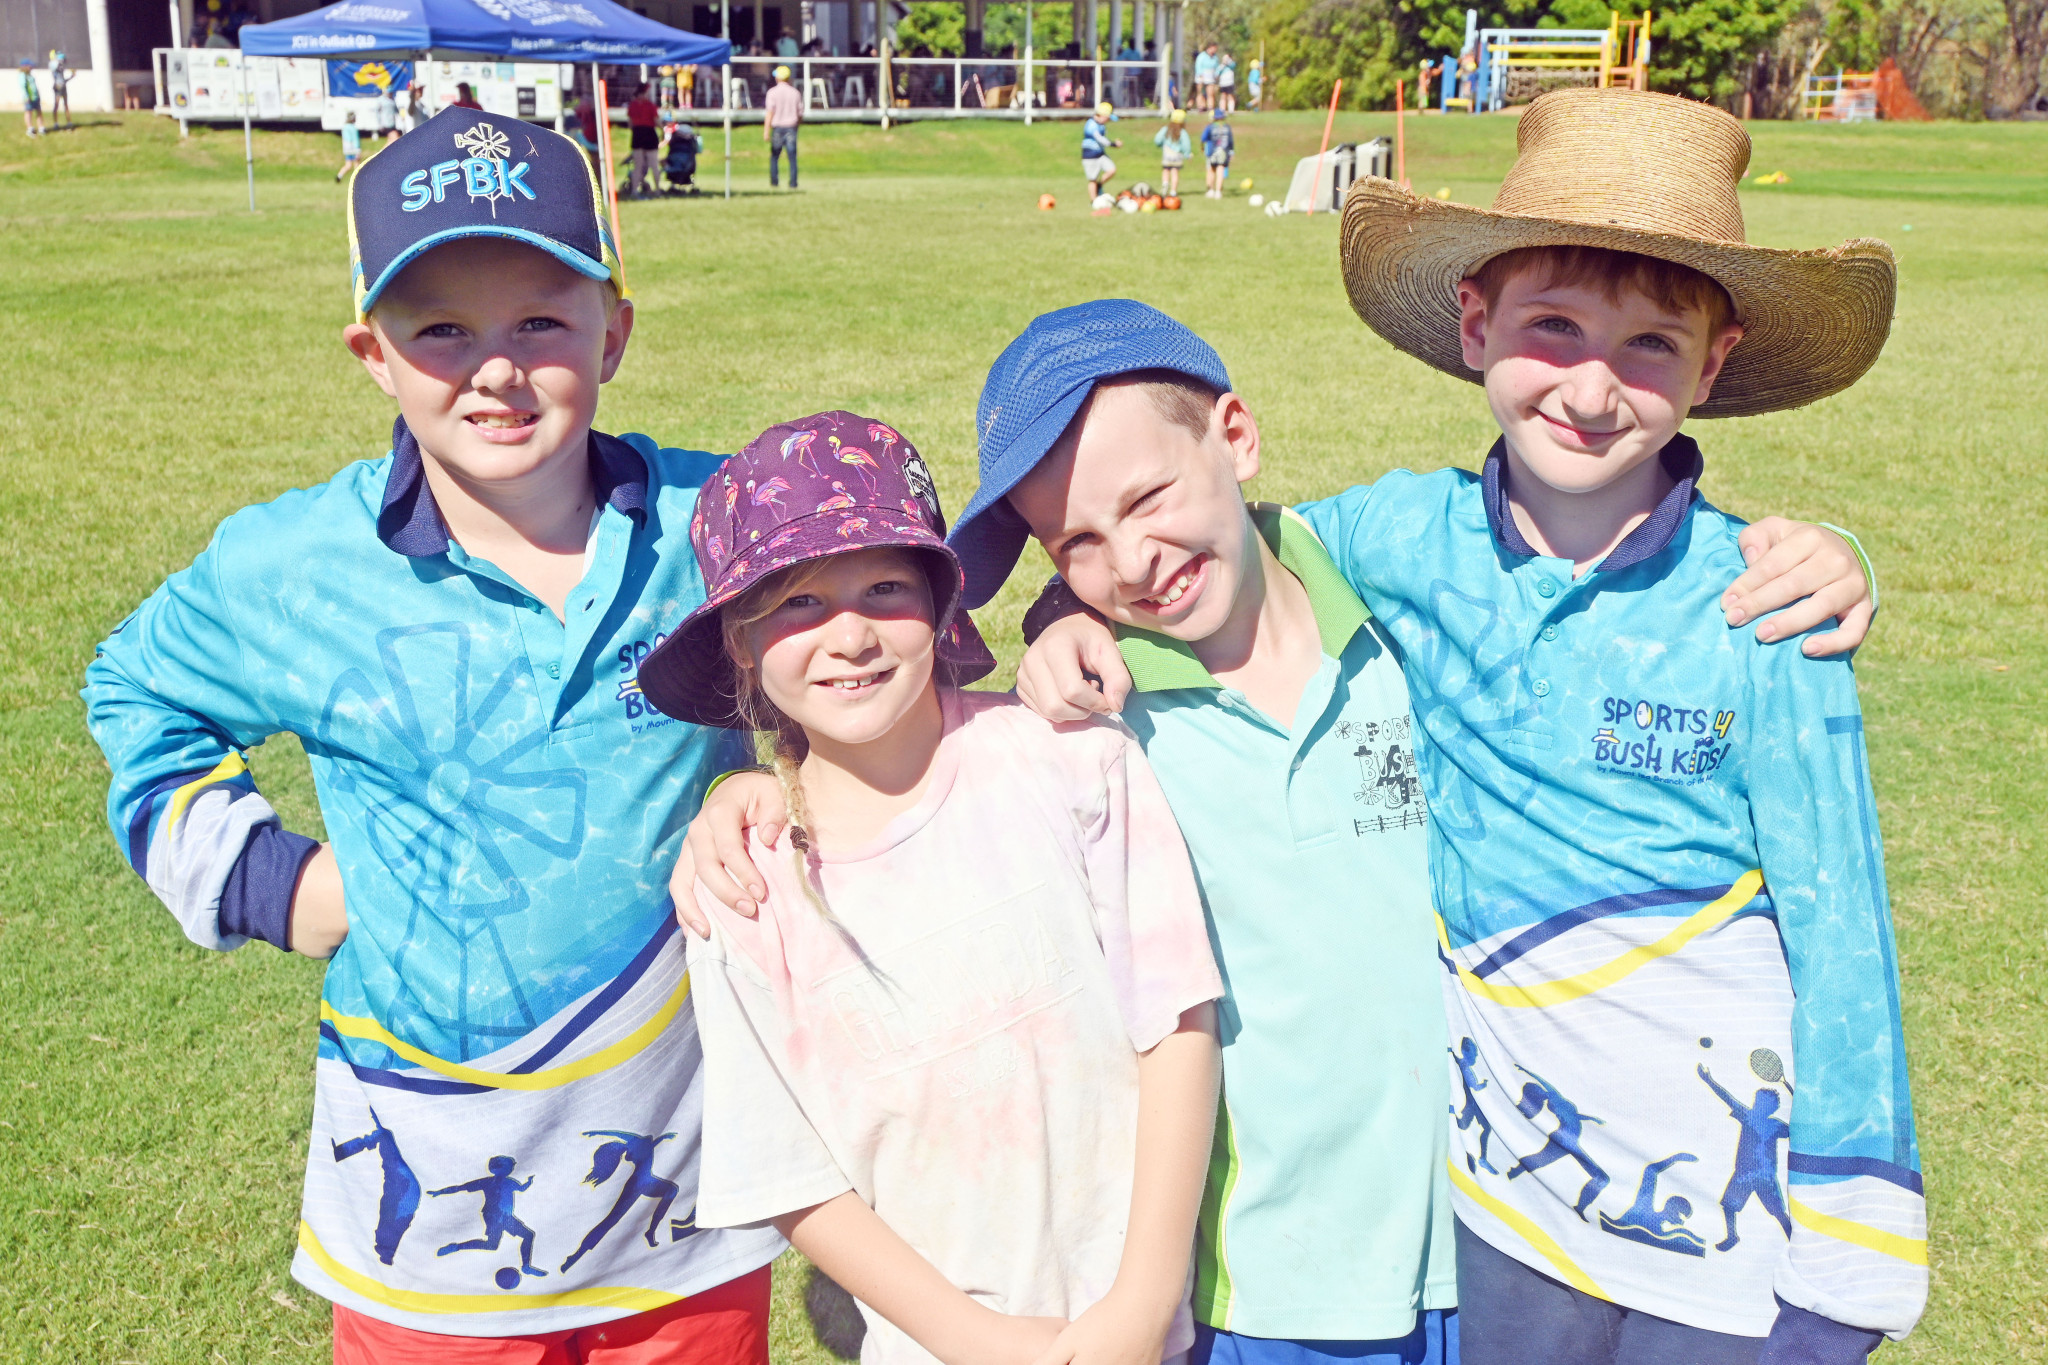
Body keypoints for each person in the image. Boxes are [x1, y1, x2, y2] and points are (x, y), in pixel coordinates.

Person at [680, 296, 1879, 1365]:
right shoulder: (1094, 720)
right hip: (1269, 1283)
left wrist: (1822, 553)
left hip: (1506, 1239)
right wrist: (755, 785)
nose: (1131, 562)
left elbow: (1579, 586)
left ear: (1236, 436)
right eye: (1074, 546)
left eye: (1148, 500)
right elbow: (909, 766)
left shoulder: (1414, 605)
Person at [1013, 89, 1923, 1364]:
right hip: (1504, 1209)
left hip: (1726, 1235)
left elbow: (1844, 925)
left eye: (1650, 347)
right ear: (1474, 321)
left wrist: (1855, 1247)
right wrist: (1059, 608)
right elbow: (1202, 548)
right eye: (1551, 329)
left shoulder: (1761, 607)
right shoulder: (1396, 536)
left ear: (1710, 366)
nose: (1592, 389)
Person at [81, 104, 784, 1362]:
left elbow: (886, 632)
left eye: (539, 321)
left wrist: (781, 776)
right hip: (429, 1215)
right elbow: (136, 687)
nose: (495, 369)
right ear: (373, 353)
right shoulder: (294, 566)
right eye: (442, 329)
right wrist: (258, 876)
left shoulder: (717, 520)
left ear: (612, 331)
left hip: (686, 1200)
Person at [635, 411, 1226, 1365]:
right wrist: (981, 1341)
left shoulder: (1067, 759)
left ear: (942, 604)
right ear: (740, 645)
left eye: (885, 588)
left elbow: (1177, 1018)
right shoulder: (745, 888)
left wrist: (1141, 1303)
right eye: (796, 604)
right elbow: (790, 1174)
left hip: (1154, 1333)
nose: (851, 634)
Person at [764, 65, 801, 188]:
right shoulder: (795, 93)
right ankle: (793, 182)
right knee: (792, 156)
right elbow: (800, 112)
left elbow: (770, 113)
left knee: (775, 156)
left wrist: (766, 131)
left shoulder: (772, 93)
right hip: (791, 126)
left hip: (778, 127)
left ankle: (774, 181)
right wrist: (797, 125)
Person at [626, 81, 661, 197]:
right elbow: (656, 121)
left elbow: (630, 124)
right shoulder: (650, 106)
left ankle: (634, 190)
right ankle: (657, 189)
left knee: (638, 165)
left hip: (637, 134)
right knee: (654, 164)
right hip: (649, 133)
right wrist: (663, 128)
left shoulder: (632, 105)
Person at [1083, 100, 1122, 200]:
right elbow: (1099, 139)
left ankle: (1099, 185)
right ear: (1102, 115)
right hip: (1089, 155)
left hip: (1100, 153)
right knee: (1092, 179)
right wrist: (1113, 144)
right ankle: (1094, 201)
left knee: (1112, 170)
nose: (1108, 120)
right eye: (1108, 118)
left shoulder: (1101, 125)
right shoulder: (1091, 124)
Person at [1153, 108, 1189, 198]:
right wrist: (1187, 154)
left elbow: (1158, 139)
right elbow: (1186, 144)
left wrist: (1159, 145)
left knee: (1165, 170)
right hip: (1177, 155)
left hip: (1167, 154)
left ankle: (1165, 185)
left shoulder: (1166, 129)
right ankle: (1173, 191)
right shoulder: (1182, 132)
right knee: (1175, 172)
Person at [662, 116, 702, 193]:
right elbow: (698, 150)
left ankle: (673, 185)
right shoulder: (691, 141)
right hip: (687, 167)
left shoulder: (675, 139)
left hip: (673, 166)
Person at [1200, 108, 1232, 198]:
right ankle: (1218, 191)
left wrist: (1202, 147)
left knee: (1211, 170)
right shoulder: (1227, 127)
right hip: (1224, 152)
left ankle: (1210, 190)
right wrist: (1231, 151)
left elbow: (1203, 138)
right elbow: (1230, 141)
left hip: (1212, 152)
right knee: (1220, 170)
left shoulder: (1210, 127)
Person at [19, 59, 44, 137]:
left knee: (39, 112)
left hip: (35, 97)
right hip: (29, 98)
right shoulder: (23, 75)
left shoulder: (30, 75)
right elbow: (23, 87)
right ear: (25, 66)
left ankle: (41, 128)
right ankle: (29, 129)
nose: (31, 67)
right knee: (28, 112)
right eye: (30, 66)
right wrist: (27, 97)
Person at [334, 110, 361, 181]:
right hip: (354, 149)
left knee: (348, 165)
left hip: (347, 149)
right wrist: (358, 150)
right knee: (357, 165)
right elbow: (355, 140)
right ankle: (357, 180)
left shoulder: (345, 127)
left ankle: (339, 176)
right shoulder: (353, 128)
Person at [1191, 42, 1217, 111]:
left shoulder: (1215, 57)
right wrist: (1201, 75)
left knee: (1210, 93)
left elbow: (1216, 67)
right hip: (1201, 76)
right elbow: (1198, 66)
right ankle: (1201, 106)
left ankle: (1210, 107)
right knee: (1200, 92)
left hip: (1211, 76)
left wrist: (1216, 75)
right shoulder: (1202, 56)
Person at [47, 50, 70, 127]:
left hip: (63, 86)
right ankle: (56, 123)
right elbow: (53, 66)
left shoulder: (60, 66)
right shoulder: (53, 64)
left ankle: (69, 122)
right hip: (58, 86)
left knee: (66, 105)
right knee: (56, 105)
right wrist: (57, 59)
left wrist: (71, 77)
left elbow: (63, 80)